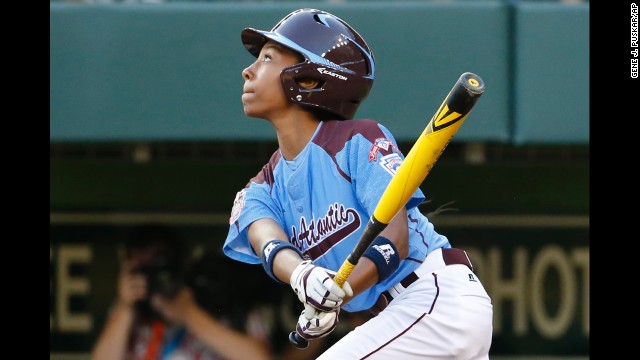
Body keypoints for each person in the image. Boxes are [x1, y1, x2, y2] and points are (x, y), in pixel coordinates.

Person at [222, 8, 493, 359]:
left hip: (434, 300)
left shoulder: (356, 140)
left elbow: (393, 239)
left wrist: (341, 291)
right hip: (396, 321)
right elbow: (266, 240)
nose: (249, 70)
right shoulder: (263, 186)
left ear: (307, 79)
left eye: (268, 59)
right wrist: (306, 279)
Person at [90, 225, 276, 360]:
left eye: (160, 265)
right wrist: (125, 307)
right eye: (144, 269)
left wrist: (189, 313)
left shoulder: (225, 299)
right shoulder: (130, 312)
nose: (154, 277)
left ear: (182, 263)